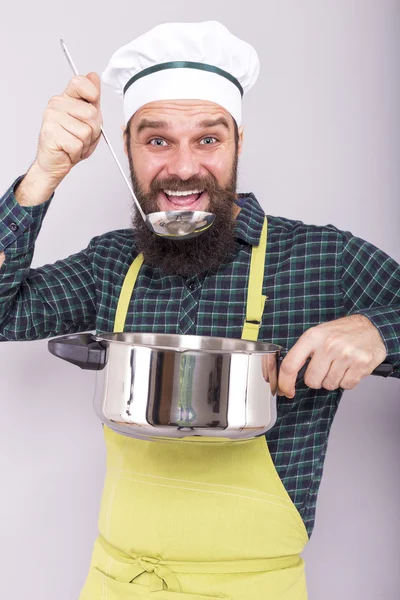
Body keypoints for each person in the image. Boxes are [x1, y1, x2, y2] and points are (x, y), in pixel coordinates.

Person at [0, 21, 399, 600]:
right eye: (157, 140)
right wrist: (42, 176)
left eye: (207, 139)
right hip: (117, 584)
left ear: (239, 141)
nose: (183, 168)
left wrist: (380, 330)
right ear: (127, 147)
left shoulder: (321, 259)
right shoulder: (114, 262)